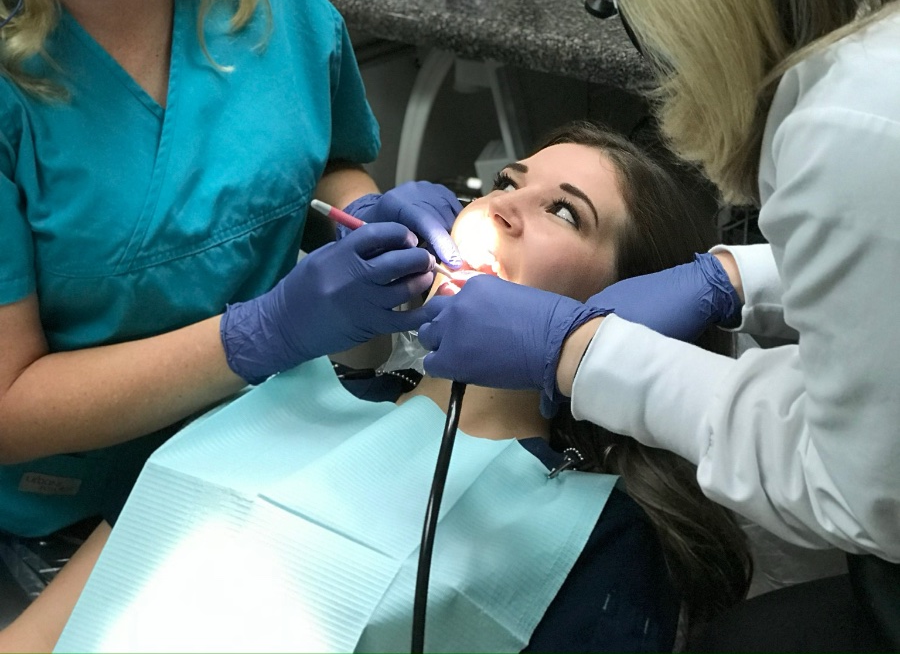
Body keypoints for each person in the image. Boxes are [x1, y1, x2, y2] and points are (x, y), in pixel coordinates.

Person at [416, 0, 900, 649]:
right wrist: (736, 278)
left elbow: (867, 488)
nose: (503, 203)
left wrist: (583, 352)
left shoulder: (855, 120)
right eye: (509, 179)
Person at [0, 0, 458, 563]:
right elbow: (10, 410)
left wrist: (363, 220)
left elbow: (329, 162)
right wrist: (262, 332)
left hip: (278, 458)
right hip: (79, 518)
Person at [0, 122, 751, 653]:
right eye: (504, 182)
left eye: (563, 212)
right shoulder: (294, 393)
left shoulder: (595, 536)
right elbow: (47, 628)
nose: (502, 208)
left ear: (626, 303)